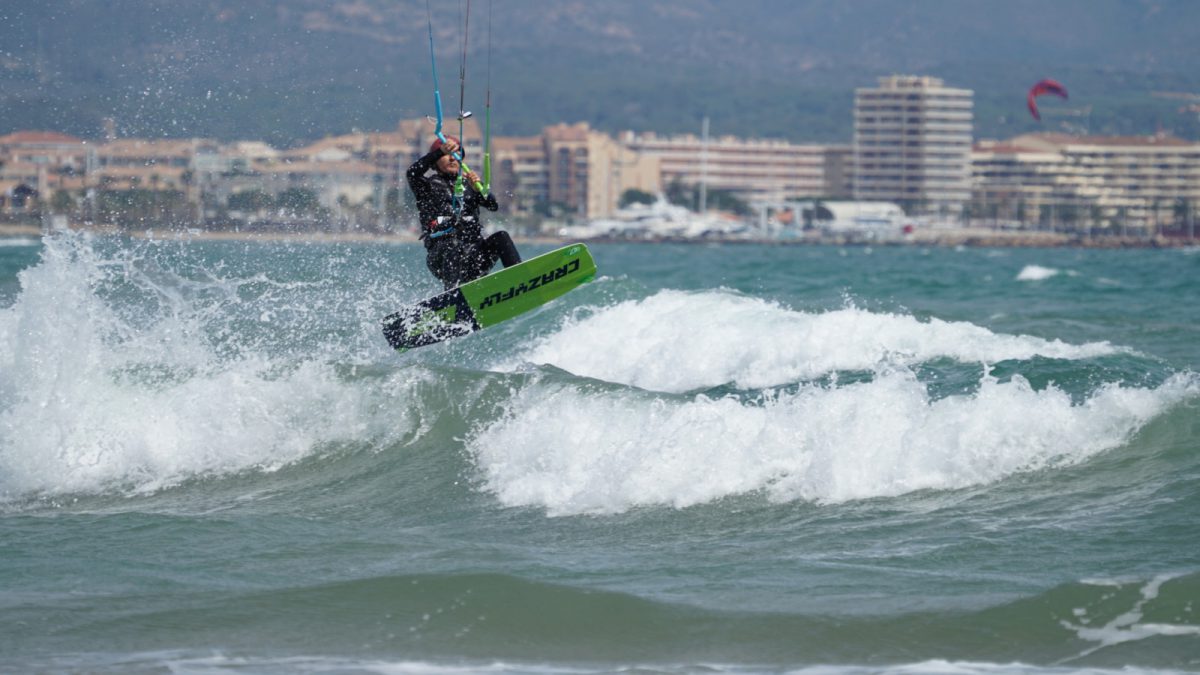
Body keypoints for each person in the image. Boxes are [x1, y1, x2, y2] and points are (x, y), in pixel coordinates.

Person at [406, 135, 521, 289]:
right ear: (436, 160)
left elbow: (493, 206)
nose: (452, 159)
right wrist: (439, 151)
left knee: (501, 237)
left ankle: (520, 278)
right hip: (442, 257)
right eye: (447, 155)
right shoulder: (426, 188)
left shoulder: (469, 186)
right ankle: (453, 295)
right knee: (453, 245)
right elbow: (412, 173)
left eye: (456, 155)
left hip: (476, 256)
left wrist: (479, 189)